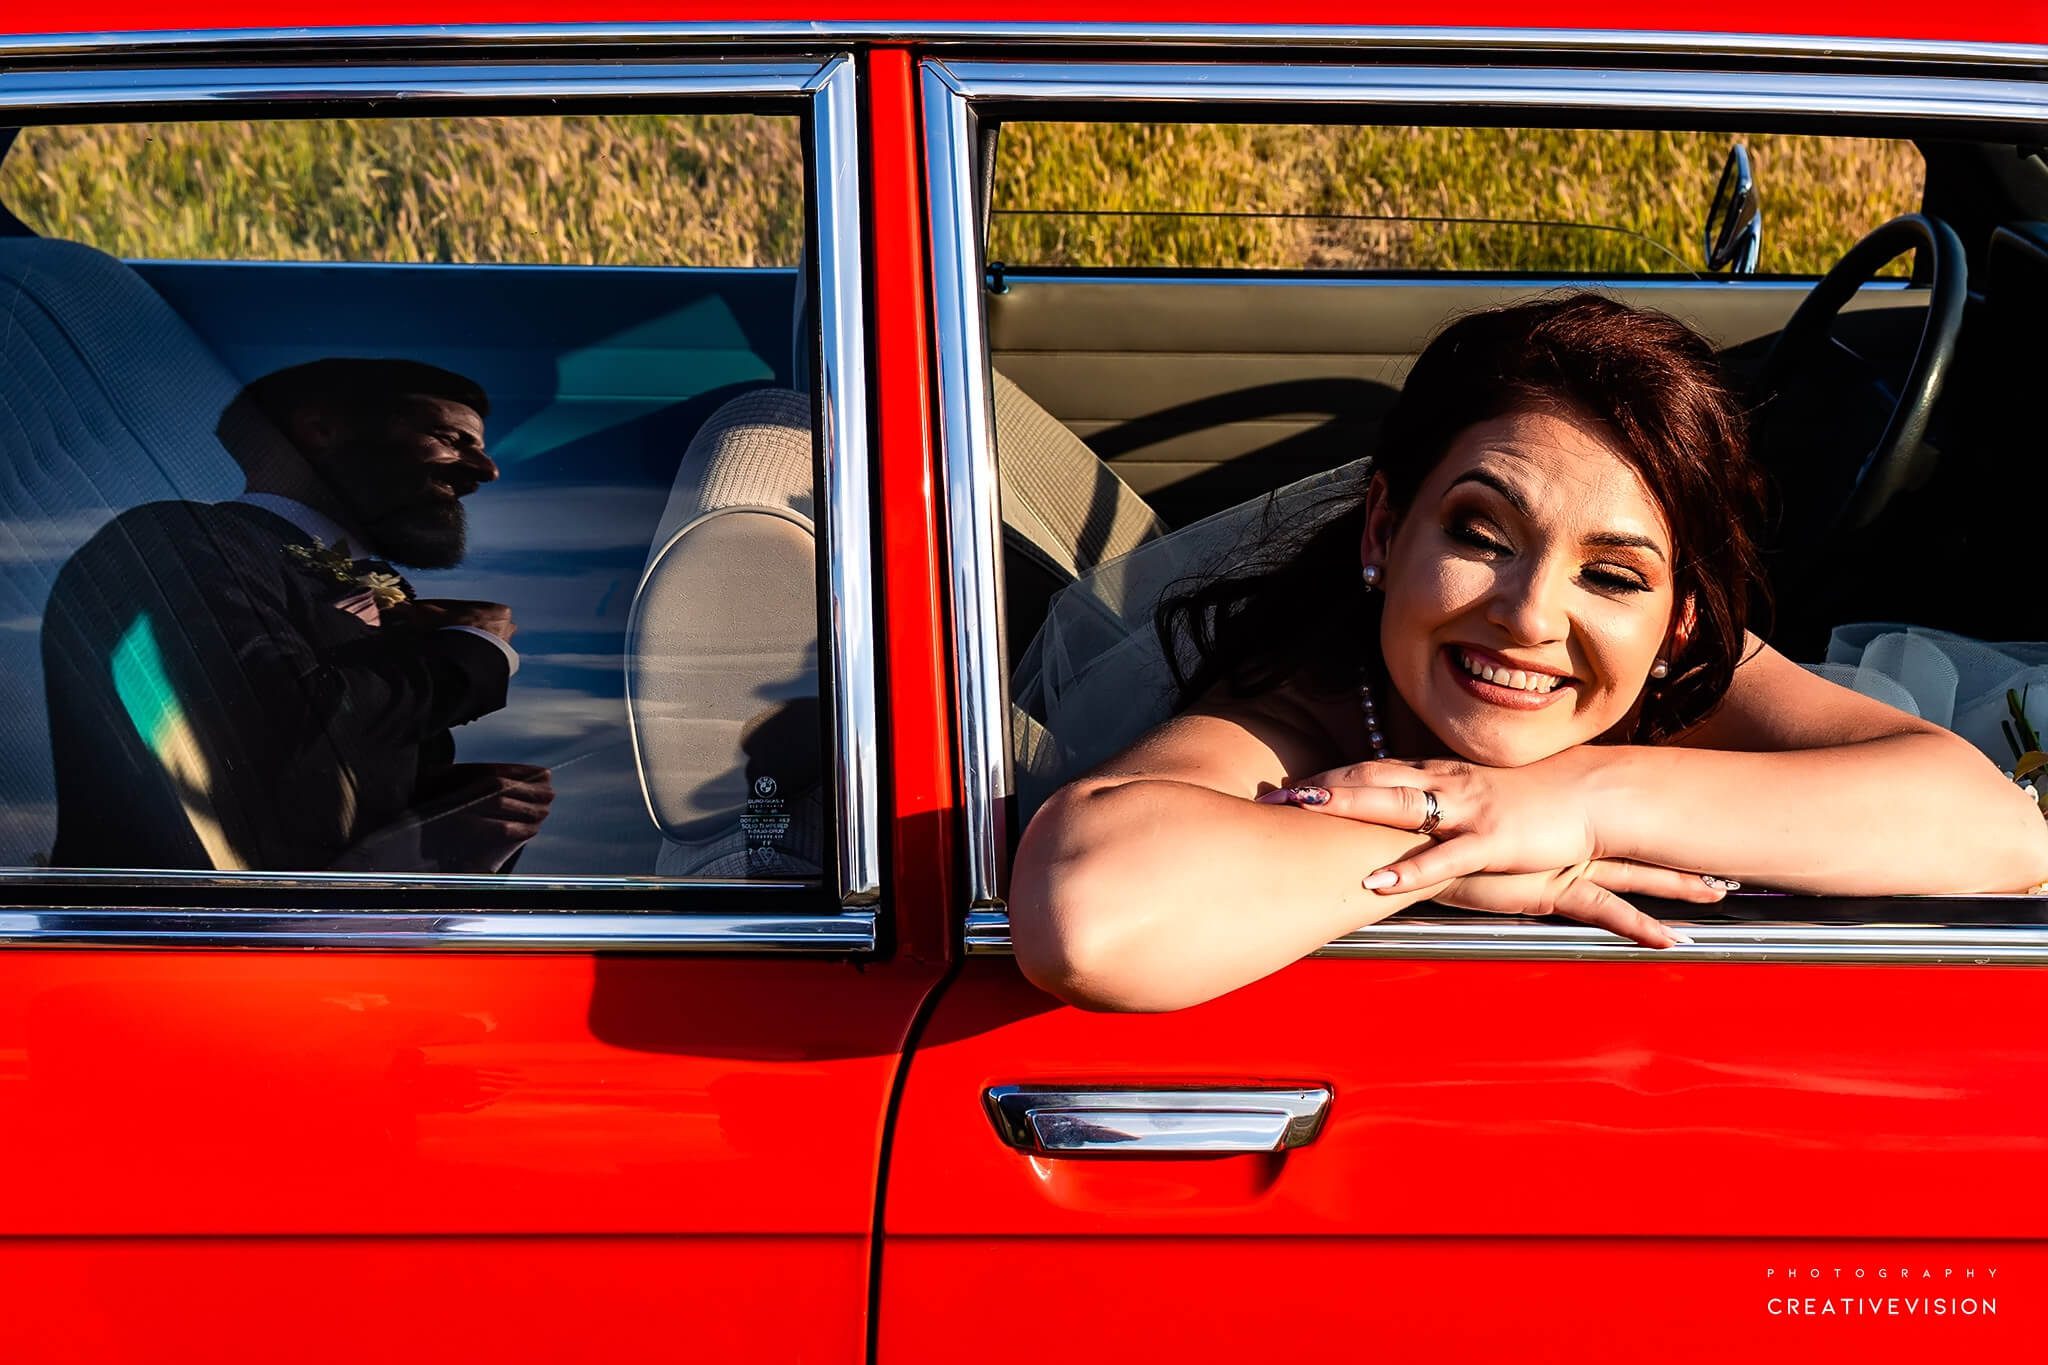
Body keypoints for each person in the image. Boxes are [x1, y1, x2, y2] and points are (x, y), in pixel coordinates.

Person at [1009, 294, 2048, 1012]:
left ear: (1679, 622)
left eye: (1613, 574)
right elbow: (1090, 918)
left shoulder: (1681, 674)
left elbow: (2000, 831)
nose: (1530, 616)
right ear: (1384, 531)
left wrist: (1564, 806)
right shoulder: (1295, 710)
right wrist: (1459, 846)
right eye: (1481, 535)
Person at [41, 357, 552, 873]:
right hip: (186, 916)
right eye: (450, 439)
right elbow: (258, 733)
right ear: (321, 430)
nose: (486, 471)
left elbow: (303, 783)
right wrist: (471, 654)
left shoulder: (358, 580)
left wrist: (444, 819)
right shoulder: (179, 540)